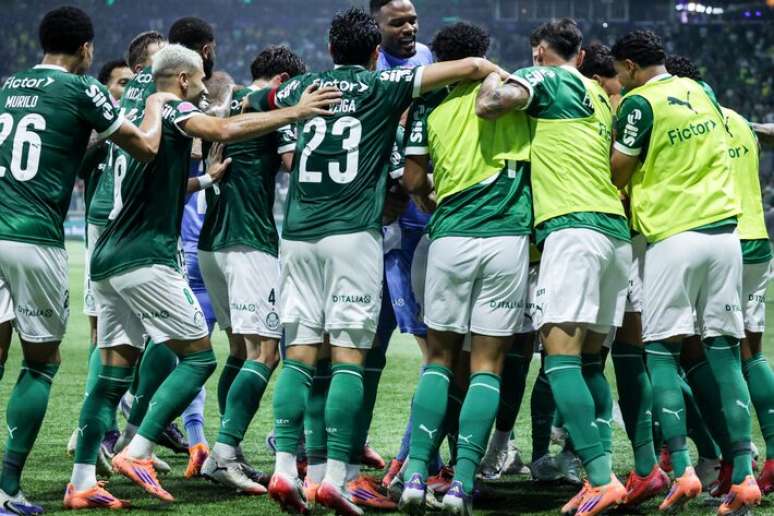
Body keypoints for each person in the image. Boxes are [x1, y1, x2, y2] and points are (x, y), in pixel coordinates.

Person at [245, 7, 507, 516]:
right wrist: (499, 76)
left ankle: (285, 470)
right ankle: (336, 479)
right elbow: (472, 67)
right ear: (372, 53)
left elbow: (250, 100)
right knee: (348, 358)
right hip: (352, 237)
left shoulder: (303, 88)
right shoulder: (384, 84)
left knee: (299, 356)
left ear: (328, 49)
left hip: (297, 237)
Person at [62, 42, 341, 508]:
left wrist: (208, 178)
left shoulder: (132, 102)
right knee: (204, 357)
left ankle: (83, 479)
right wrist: (297, 111)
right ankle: (142, 447)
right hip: (152, 253)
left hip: (108, 252)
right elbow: (225, 127)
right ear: (186, 80)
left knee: (114, 369)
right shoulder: (171, 105)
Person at [0, 6, 187, 513]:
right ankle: (7, 490)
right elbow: (147, 147)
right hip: (34, 238)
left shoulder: (8, 86)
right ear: (86, 50)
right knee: (40, 366)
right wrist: (157, 102)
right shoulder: (84, 89)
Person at [476, 17, 632, 516]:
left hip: (572, 229)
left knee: (559, 358)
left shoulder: (547, 76)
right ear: (582, 55)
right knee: (589, 364)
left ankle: (603, 479)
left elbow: (490, 105)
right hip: (614, 232)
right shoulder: (595, 91)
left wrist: (487, 72)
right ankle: (593, 471)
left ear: (540, 51)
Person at [610, 30, 761, 515]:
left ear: (630, 67)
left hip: (673, 239)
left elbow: (617, 171)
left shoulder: (638, 104)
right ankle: (743, 477)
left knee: (660, 352)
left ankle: (683, 469)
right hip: (725, 238)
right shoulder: (703, 92)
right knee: (725, 354)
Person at [398, 21, 532, 516]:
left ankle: (415, 474)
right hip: (506, 237)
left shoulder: (428, 104)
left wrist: (437, 201)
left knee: (439, 359)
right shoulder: (515, 89)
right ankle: (463, 483)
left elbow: (413, 178)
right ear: (484, 52)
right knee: (488, 364)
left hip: (450, 236)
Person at [197, 45, 305, 494]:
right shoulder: (272, 110)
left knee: (241, 352)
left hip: (212, 243)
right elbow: (293, 164)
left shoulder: (229, 106)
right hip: (249, 241)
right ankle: (224, 453)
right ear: (282, 80)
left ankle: (226, 452)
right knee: (266, 352)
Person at [580, 42, 668, 507]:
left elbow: (617, 177)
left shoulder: (620, 110)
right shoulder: (628, 106)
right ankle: (647, 465)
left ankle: (614, 468)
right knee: (632, 360)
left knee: (587, 359)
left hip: (611, 238)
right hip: (634, 243)